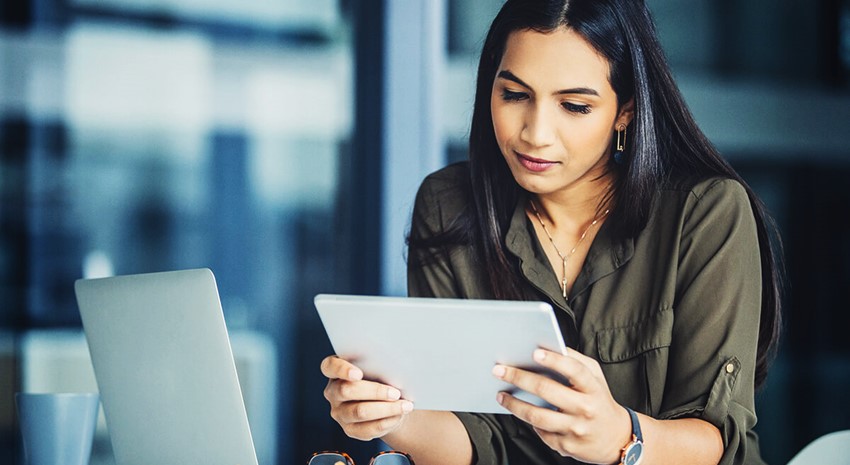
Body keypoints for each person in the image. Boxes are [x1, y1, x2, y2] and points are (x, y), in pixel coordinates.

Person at [320, 0, 783, 464]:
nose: (536, 134)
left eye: (575, 106)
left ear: (625, 112)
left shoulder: (704, 213)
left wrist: (623, 437)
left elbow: (723, 440)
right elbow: (481, 443)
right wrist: (394, 418)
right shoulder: (449, 206)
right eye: (515, 96)